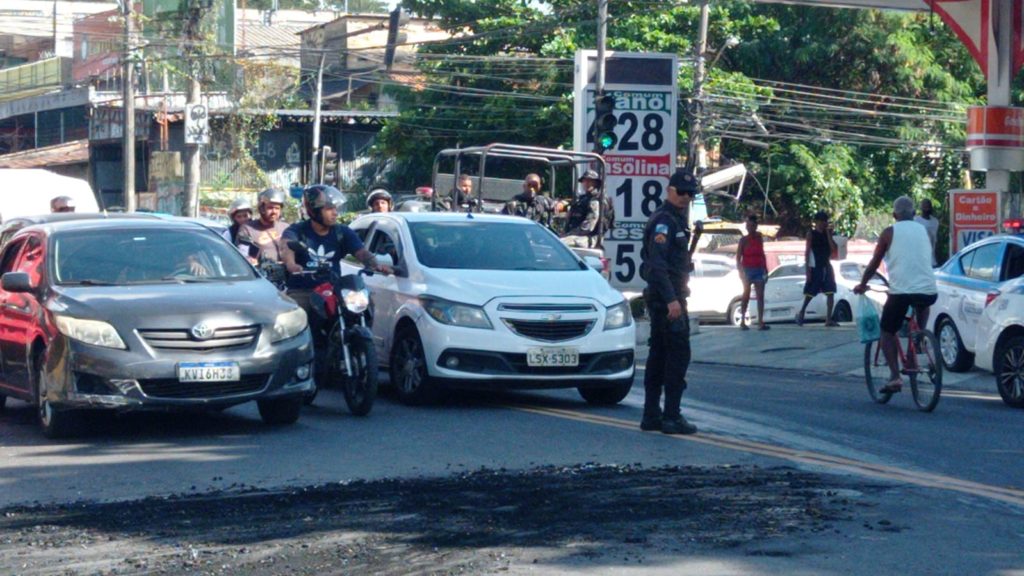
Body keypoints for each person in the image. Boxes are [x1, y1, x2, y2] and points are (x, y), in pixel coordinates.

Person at [638, 168, 702, 435]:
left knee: (660, 355)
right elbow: (657, 266)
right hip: (668, 301)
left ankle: (652, 415)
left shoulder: (676, 220)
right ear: (670, 190)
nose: (687, 197)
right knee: (676, 357)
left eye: (691, 194)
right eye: (682, 192)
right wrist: (671, 301)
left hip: (667, 297)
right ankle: (671, 416)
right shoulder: (665, 221)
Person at [854, 196, 937, 394]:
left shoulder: (889, 233)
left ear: (894, 215)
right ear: (914, 214)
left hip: (902, 292)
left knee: (886, 331)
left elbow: (875, 262)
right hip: (929, 290)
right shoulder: (924, 231)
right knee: (921, 304)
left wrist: (863, 284)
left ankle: (895, 377)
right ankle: (919, 336)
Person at [797, 210, 839, 326]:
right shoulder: (811, 234)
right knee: (811, 291)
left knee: (830, 291)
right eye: (820, 221)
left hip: (826, 264)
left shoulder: (828, 234)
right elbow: (807, 252)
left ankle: (828, 318)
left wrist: (828, 234)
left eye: (824, 221)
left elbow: (833, 249)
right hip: (815, 266)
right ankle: (802, 312)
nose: (822, 224)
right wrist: (807, 270)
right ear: (816, 222)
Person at [236, 188, 290, 264]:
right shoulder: (247, 229)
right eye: (270, 208)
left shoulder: (286, 228)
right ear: (262, 209)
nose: (274, 212)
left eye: (277, 208)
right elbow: (242, 255)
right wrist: (250, 260)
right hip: (261, 273)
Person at [736, 213, 770, 331]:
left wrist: (766, 269)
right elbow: (738, 258)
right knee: (746, 295)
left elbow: (762, 254)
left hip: (759, 269)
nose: (750, 228)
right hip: (747, 270)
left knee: (760, 295)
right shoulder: (743, 240)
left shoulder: (759, 238)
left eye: (752, 225)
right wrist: (741, 272)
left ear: (756, 226)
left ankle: (761, 321)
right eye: (748, 225)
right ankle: (743, 320)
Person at [563, 170, 603, 247]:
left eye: (590, 181)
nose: (587, 183)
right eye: (584, 181)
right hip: (576, 236)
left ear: (596, 183)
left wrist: (568, 234)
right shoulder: (582, 199)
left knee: (560, 244)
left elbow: (588, 227)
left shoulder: (595, 201)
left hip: (588, 238)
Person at [914, 198, 939, 266]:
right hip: (919, 262)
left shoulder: (935, 222)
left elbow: (935, 241)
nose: (927, 209)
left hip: (932, 261)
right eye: (925, 207)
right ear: (921, 208)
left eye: (928, 206)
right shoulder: (915, 221)